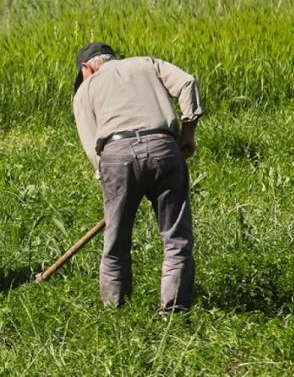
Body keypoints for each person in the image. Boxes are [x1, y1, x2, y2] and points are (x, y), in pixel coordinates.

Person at [72, 42, 203, 313]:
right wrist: (188, 133)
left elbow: (90, 144)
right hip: (164, 147)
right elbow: (188, 82)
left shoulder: (86, 89)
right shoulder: (146, 63)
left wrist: (109, 179)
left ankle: (116, 314)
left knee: (116, 241)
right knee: (175, 237)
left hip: (117, 156)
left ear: (87, 68)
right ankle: (175, 312)